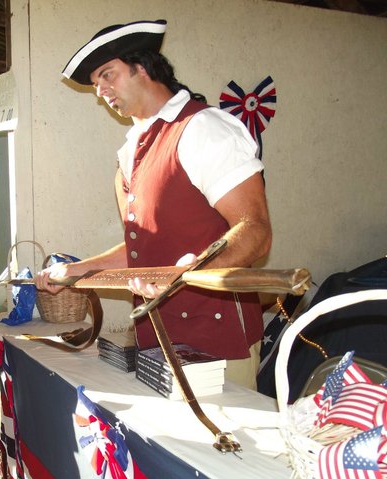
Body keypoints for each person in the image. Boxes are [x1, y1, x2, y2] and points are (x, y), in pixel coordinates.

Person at [37, 20, 272, 389]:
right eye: (96, 84)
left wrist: (190, 272)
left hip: (218, 342)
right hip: (157, 338)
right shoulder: (130, 151)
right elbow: (143, 250)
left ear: (142, 67)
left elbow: (255, 230)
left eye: (107, 75)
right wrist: (77, 271)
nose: (101, 91)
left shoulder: (203, 128)